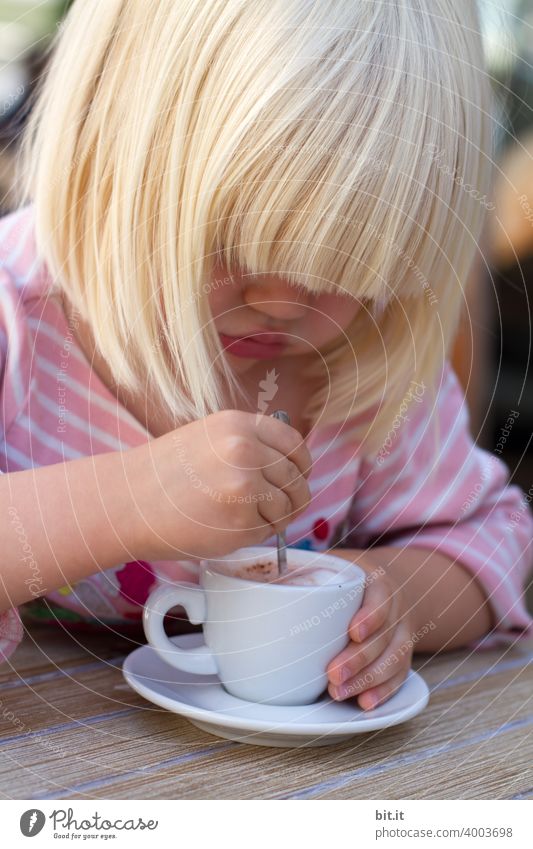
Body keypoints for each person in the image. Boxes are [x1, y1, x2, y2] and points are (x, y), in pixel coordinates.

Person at [0, 0, 531, 712]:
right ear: (109, 151)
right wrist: (131, 497)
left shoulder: (365, 363)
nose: (282, 303)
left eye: (338, 267)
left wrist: (392, 595)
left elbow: (492, 535)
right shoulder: (19, 316)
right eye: (233, 246)